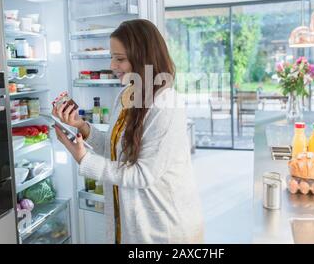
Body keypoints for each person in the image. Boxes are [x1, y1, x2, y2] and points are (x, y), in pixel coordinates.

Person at [52, 19, 204, 244]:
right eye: (112, 56)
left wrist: (84, 159)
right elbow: (116, 150)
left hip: (164, 230)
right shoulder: (126, 95)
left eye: (120, 59)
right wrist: (82, 127)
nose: (112, 65)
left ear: (144, 57)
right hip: (132, 224)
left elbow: (143, 174)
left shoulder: (166, 104)